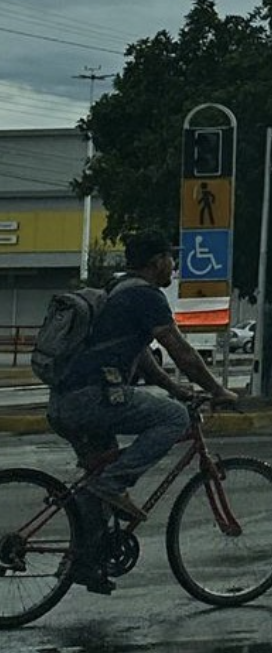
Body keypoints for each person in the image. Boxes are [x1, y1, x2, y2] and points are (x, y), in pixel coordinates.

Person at [45, 229, 239, 594]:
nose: (174, 266)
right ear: (156, 262)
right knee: (173, 419)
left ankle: (82, 564)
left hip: (65, 401)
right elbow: (181, 351)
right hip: (91, 400)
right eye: (170, 258)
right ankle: (115, 484)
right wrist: (217, 390)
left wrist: (176, 389)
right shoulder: (146, 296)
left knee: (97, 479)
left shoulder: (117, 289)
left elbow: (143, 358)